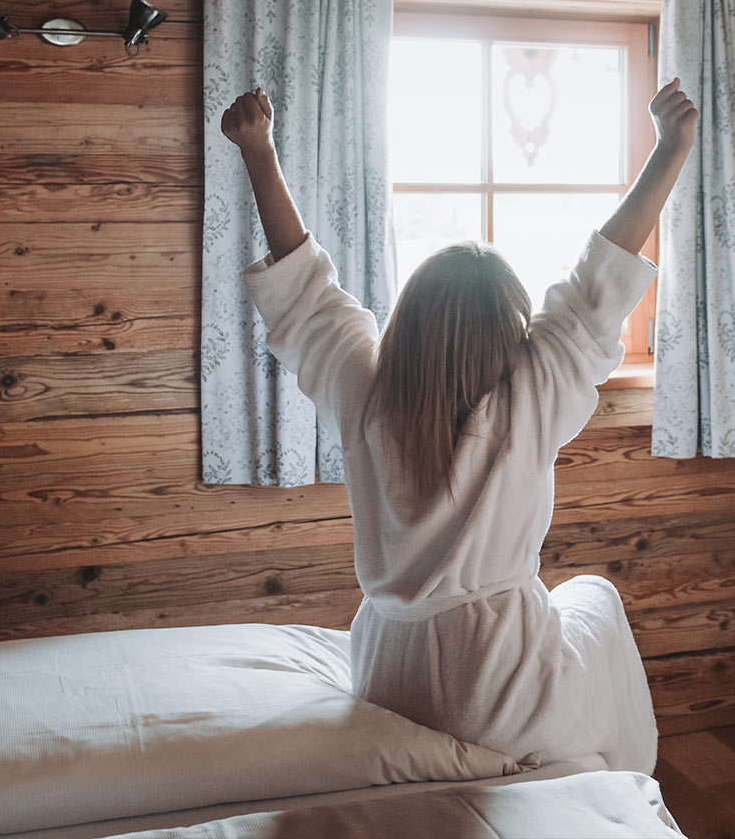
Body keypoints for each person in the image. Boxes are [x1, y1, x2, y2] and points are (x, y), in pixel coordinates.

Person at [219, 77, 697, 774]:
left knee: (577, 612)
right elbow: (599, 286)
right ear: (511, 328)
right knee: (595, 597)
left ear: (410, 319)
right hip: (496, 696)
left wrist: (258, 152)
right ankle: (625, 783)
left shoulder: (367, 390)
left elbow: (306, 294)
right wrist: (670, 150)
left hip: (388, 678)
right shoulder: (532, 392)